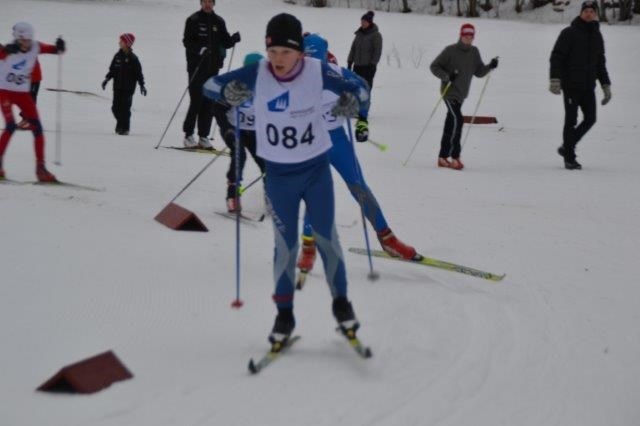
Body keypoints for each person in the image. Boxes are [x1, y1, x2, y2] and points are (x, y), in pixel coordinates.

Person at [203, 13, 370, 348]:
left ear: (300, 52)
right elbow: (210, 87)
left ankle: (341, 306)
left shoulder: (317, 70)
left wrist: (343, 109)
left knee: (326, 239)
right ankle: (285, 315)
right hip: (278, 176)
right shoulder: (258, 73)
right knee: (285, 247)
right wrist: (234, 97)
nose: (278, 60)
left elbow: (361, 91)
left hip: (315, 172)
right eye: (273, 51)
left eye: (286, 52)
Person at [296, 33, 417, 279]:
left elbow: (363, 90)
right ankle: (309, 248)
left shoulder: (338, 74)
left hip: (337, 140)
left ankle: (387, 238)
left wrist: (361, 119)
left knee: (359, 188)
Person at [549, 0, 611, 170]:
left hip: (588, 86)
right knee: (571, 120)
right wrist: (555, 79)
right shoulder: (569, 33)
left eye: (592, 11)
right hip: (571, 85)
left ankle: (566, 146)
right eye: (586, 11)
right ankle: (569, 157)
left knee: (591, 119)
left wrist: (605, 85)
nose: (589, 13)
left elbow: (600, 64)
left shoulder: (597, 36)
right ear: (581, 13)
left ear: (596, 14)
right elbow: (557, 57)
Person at [0, 22, 65, 182]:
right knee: (10, 126)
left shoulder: (35, 47)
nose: (27, 44)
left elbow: (53, 50)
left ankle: (41, 169)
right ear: (17, 39)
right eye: (24, 40)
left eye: (29, 40)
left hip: (23, 94)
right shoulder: (6, 51)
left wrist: (59, 47)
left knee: (37, 128)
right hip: (5, 93)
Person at [429, 23, 498, 170]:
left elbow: (479, 72)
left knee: (450, 124)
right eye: (465, 35)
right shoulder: (450, 50)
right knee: (458, 120)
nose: (468, 38)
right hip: (448, 92)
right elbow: (434, 66)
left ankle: (442, 157)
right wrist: (447, 76)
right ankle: (455, 158)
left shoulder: (474, 52)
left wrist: (490, 66)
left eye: (470, 36)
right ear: (461, 35)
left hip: (461, 95)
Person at [210, 52, 266, 213]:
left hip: (254, 131)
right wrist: (227, 128)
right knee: (239, 155)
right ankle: (232, 197)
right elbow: (218, 109)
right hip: (234, 130)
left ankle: (272, 198)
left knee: (267, 163)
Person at [182, 0, 240, 149]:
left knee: (209, 103)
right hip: (196, 67)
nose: (207, 4)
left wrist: (233, 39)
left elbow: (225, 42)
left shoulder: (218, 21)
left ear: (214, 4)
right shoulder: (193, 20)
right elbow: (187, 41)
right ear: (201, 3)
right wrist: (200, 49)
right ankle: (188, 135)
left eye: (210, 2)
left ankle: (203, 136)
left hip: (212, 69)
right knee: (196, 100)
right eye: (205, 1)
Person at [101, 33, 146, 136]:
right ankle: (120, 124)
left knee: (125, 109)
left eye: (121, 41)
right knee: (115, 108)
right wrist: (106, 79)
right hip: (117, 87)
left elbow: (139, 73)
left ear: (127, 43)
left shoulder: (133, 58)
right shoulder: (117, 56)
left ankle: (124, 129)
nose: (119, 42)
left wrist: (142, 85)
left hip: (128, 89)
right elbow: (112, 70)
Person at [347, 10, 382, 91]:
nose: (362, 23)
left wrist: (372, 64)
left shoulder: (376, 35)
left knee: (366, 88)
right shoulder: (359, 34)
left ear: (369, 22)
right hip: (357, 66)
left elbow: (377, 51)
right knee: (356, 88)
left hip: (368, 67)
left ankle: (366, 103)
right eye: (361, 21)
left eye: (364, 21)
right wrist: (350, 62)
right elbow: (353, 49)